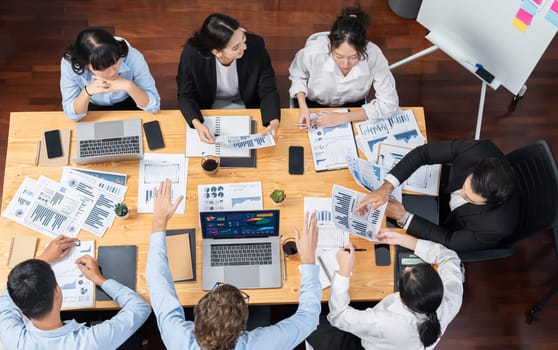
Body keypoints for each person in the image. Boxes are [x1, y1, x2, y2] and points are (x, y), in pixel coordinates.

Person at [146, 179, 321, 349]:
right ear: (242, 330)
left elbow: (158, 284)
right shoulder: (262, 345)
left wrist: (159, 221)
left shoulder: (178, 340)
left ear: (195, 322)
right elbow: (308, 318)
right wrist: (308, 259)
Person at [307, 230, 464, 350]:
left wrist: (343, 272)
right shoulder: (451, 297)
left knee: (311, 325)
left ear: (403, 298)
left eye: (405, 272)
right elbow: (450, 257)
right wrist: (403, 239)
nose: (407, 267)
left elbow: (338, 316)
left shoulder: (384, 322)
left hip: (369, 344)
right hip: (397, 341)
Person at [358, 139, 520, 252]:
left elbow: (449, 241)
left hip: (449, 224)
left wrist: (403, 217)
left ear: (489, 203)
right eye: (465, 186)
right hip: (438, 191)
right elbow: (424, 153)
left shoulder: (496, 227)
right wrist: (387, 187)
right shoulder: (478, 150)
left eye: (469, 198)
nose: (460, 193)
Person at [0, 235, 151, 349]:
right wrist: (99, 279)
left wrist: (42, 260)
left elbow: (6, 298)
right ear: (57, 292)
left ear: (17, 304)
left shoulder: (12, 338)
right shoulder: (89, 342)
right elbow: (140, 307)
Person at [288, 6, 399, 130]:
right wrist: (303, 107)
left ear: (363, 48)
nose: (345, 64)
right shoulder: (314, 52)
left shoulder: (374, 56)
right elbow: (298, 75)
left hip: (353, 108)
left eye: (354, 57)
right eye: (339, 56)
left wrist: (343, 117)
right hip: (313, 104)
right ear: (331, 46)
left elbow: (389, 104)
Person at [177, 13, 281, 144]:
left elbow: (268, 89)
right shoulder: (192, 54)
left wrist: (274, 121)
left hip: (246, 105)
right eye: (236, 47)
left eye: (243, 38)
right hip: (209, 109)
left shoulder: (256, 46)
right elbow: (185, 95)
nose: (244, 47)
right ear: (216, 52)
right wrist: (197, 124)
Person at [60, 27, 160, 121]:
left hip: (130, 100)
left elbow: (154, 106)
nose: (113, 72)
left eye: (115, 61)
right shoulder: (69, 65)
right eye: (102, 68)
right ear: (85, 65)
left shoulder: (133, 56)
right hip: (92, 105)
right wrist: (86, 92)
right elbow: (71, 115)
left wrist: (129, 86)